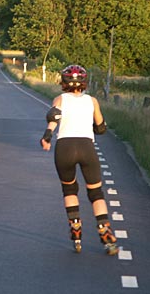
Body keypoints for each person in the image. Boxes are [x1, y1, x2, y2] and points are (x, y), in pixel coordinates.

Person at [40, 65, 119, 255]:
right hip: (86, 148)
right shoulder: (92, 101)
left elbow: (54, 118)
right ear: (84, 82)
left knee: (69, 189)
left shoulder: (59, 99)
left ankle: (76, 232)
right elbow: (100, 129)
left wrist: (47, 136)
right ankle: (106, 236)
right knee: (96, 192)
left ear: (63, 82)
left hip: (64, 148)